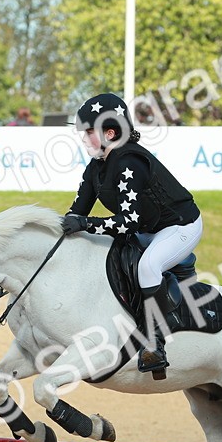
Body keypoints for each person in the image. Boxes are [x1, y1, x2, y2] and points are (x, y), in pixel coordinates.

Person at [61, 92, 202, 375]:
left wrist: (86, 224)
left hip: (180, 227)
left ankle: (154, 344)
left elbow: (128, 223)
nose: (83, 138)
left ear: (110, 133)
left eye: (88, 132)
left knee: (148, 267)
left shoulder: (129, 163)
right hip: (149, 229)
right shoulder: (97, 166)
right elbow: (75, 214)